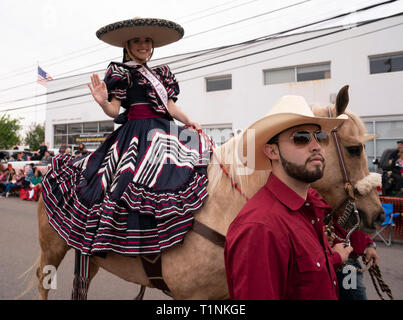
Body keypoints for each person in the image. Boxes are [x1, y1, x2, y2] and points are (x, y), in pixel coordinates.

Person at [41, 17, 209, 261]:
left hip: (165, 130)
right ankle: (121, 241)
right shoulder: (120, 72)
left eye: (147, 41)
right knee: (124, 182)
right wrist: (102, 102)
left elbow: (170, 107)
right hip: (136, 134)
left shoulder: (162, 74)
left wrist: (188, 120)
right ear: (127, 46)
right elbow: (114, 111)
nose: (143, 45)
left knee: (182, 171)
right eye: (137, 40)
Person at [225, 95, 353, 300]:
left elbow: (304, 274)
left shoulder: (310, 210)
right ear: (272, 151)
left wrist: (334, 257)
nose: (316, 146)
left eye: (320, 137)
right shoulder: (260, 228)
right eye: (301, 137)